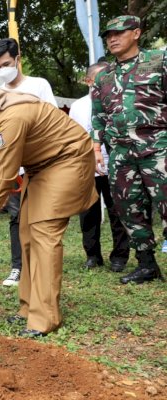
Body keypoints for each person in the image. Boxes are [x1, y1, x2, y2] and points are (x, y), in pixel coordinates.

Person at [0, 72, 97, 337]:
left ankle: (45, 318)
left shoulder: (10, 117)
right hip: (41, 166)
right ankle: (28, 308)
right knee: (26, 230)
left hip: (68, 159)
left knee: (43, 233)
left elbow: (4, 179)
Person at [92, 15, 166, 284]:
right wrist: (97, 146)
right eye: (107, 35)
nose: (111, 39)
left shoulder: (159, 61)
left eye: (118, 33)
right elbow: (98, 115)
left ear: (136, 33)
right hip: (122, 154)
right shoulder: (104, 77)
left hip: (159, 148)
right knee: (128, 207)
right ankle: (147, 265)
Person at [0, 38, 59, 287]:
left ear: (18, 60)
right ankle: (18, 267)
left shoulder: (39, 86)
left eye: (6, 64)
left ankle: (41, 267)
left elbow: (54, 121)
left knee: (42, 217)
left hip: (41, 165)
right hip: (13, 169)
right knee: (17, 218)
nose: (2, 70)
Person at [70, 62, 131, 272]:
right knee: (89, 213)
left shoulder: (118, 100)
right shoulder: (77, 106)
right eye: (100, 77)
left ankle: (120, 257)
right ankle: (93, 256)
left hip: (114, 165)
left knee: (117, 212)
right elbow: (73, 138)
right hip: (87, 168)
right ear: (88, 81)